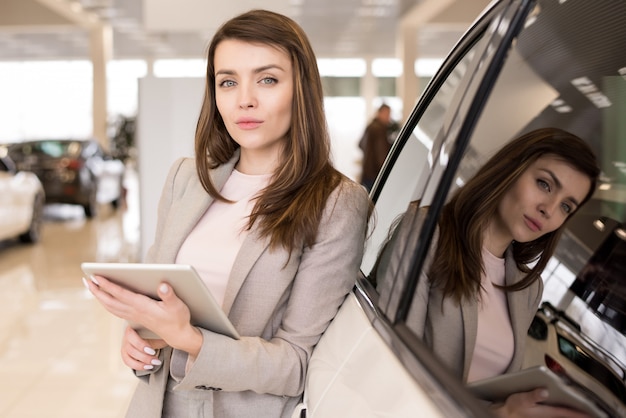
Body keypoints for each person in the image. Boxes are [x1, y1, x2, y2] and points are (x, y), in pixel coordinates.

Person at [83, 9, 371, 418]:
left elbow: (298, 363)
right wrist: (140, 341)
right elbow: (156, 303)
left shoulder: (336, 203)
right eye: (228, 82)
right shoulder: (187, 179)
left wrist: (190, 339)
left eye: (267, 79)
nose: (244, 99)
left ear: (301, 89)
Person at [373, 127, 600, 418]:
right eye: (544, 184)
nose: (549, 210)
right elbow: (394, 363)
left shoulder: (528, 288)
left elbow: (492, 392)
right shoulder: (427, 233)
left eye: (566, 206)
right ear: (510, 169)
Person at [359, 103, 395, 191]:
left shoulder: (370, 126)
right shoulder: (379, 129)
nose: (389, 117)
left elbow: (360, 144)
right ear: (380, 113)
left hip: (367, 172)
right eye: (387, 114)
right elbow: (381, 155)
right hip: (375, 174)